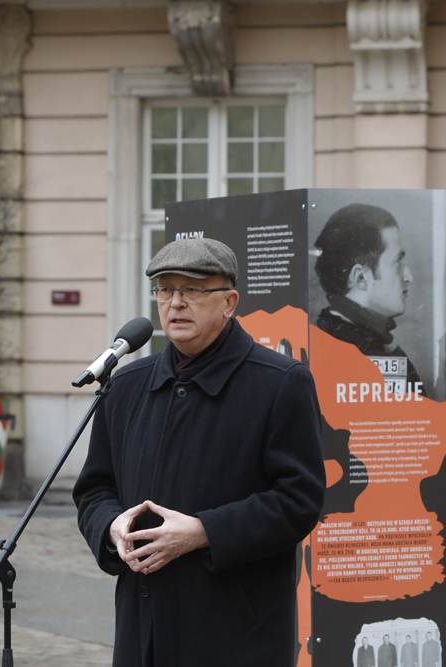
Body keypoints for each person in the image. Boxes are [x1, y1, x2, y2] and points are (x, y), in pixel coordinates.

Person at [73, 237, 326, 667]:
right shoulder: (126, 385)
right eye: (165, 290)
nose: (175, 304)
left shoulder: (280, 383)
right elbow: (95, 490)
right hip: (143, 632)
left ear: (229, 302)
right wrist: (112, 527)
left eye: (192, 290)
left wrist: (202, 532)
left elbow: (298, 501)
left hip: (235, 635)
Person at [314, 203, 425, 397]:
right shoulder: (347, 356)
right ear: (361, 278)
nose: (409, 277)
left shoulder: (368, 341)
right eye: (397, 262)